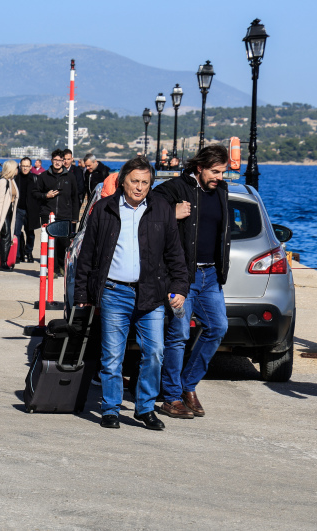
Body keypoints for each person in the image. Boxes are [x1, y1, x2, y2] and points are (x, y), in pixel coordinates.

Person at [74, 156, 188, 430]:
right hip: (115, 293)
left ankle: (145, 408)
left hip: (151, 295)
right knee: (112, 356)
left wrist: (179, 287)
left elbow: (175, 252)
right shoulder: (104, 209)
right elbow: (87, 255)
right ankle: (111, 409)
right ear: (123, 181)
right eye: (134, 181)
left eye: (145, 183)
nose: (139, 187)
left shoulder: (161, 208)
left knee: (156, 352)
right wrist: (82, 294)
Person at [153, 145, 231, 419]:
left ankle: (188, 386)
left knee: (218, 327)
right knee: (179, 336)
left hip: (211, 276)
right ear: (199, 167)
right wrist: (171, 213)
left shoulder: (221, 191)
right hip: (183, 277)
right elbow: (148, 210)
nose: (219, 177)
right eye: (215, 171)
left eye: (223, 172)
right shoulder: (175, 188)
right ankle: (171, 396)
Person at [33, 149, 78, 276]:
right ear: (51, 160)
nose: (57, 163)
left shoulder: (70, 177)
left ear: (64, 161)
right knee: (49, 243)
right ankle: (52, 269)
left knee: (63, 243)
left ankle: (61, 266)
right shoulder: (43, 176)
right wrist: (45, 195)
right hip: (48, 214)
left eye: (60, 160)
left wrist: (75, 217)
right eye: (55, 160)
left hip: (65, 214)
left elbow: (75, 197)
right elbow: (35, 193)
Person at [16, 157, 40, 263]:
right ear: (20, 166)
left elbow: (39, 194)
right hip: (18, 209)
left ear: (31, 167)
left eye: (27, 166)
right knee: (16, 233)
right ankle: (17, 254)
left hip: (31, 210)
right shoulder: (15, 178)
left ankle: (28, 252)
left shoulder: (35, 178)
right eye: (23, 166)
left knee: (30, 233)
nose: (25, 168)